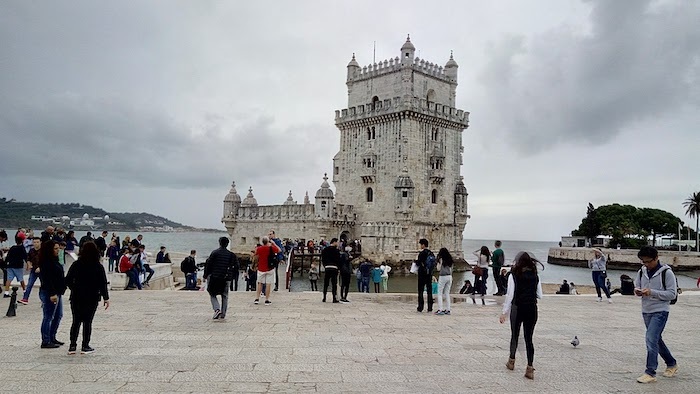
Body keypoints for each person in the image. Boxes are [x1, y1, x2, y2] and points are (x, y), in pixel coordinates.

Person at [634, 246, 678, 383]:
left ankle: (650, 372)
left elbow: (672, 294)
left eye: (648, 261)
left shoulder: (667, 273)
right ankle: (671, 363)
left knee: (650, 338)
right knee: (656, 339)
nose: (646, 264)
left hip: (660, 310)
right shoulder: (642, 271)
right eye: (643, 262)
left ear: (656, 258)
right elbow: (637, 284)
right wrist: (637, 290)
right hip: (646, 310)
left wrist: (652, 292)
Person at [500, 251, 543, 380]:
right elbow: (540, 295)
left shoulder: (514, 275)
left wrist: (504, 312)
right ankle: (530, 368)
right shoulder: (535, 275)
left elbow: (510, 295)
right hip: (531, 308)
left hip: (518, 308)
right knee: (529, 338)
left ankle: (511, 361)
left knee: (515, 335)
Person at [65, 241, 110, 354]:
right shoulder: (98, 266)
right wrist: (106, 297)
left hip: (77, 296)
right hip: (92, 297)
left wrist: (74, 288)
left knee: (76, 321)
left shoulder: (77, 264)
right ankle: (85, 345)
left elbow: (68, 280)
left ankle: (72, 345)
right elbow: (103, 283)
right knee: (87, 322)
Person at [38, 240, 67, 349]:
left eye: (58, 248)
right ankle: (45, 340)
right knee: (48, 316)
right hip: (50, 292)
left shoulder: (55, 261)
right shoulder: (46, 263)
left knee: (58, 315)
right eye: (55, 248)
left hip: (58, 292)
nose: (58, 250)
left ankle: (52, 336)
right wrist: (52, 293)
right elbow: (47, 279)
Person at [204, 237, 238, 320]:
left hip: (215, 277)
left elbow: (208, 264)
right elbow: (236, 267)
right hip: (226, 278)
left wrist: (205, 275)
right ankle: (223, 314)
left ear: (219, 243)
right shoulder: (231, 255)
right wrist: (232, 277)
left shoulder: (215, 253)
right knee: (225, 295)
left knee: (212, 293)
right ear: (227, 244)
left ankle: (216, 309)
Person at [253, 236, 281, 305]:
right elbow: (279, 250)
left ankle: (257, 298)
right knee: (268, 284)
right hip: (269, 268)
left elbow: (255, 253)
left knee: (260, 283)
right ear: (268, 241)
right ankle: (267, 299)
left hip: (261, 268)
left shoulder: (259, 248)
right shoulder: (271, 248)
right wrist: (274, 244)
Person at [19, 237, 42, 304]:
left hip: (42, 270)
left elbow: (46, 261)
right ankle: (25, 298)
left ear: (40, 242)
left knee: (43, 285)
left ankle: (43, 299)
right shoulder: (31, 250)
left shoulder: (43, 251)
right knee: (29, 284)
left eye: (37, 242)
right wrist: (29, 265)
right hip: (33, 270)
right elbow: (28, 259)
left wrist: (40, 267)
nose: (36, 244)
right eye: (34, 242)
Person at [416, 238, 434, 313]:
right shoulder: (431, 253)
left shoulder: (422, 253)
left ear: (423, 245)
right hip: (429, 274)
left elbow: (418, 263)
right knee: (429, 291)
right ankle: (430, 307)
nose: (420, 246)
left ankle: (420, 307)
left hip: (422, 274)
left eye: (421, 244)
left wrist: (416, 261)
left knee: (420, 291)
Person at [435, 248, 454, 315]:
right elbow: (451, 269)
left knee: (439, 293)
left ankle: (440, 309)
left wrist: (438, 263)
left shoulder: (441, 259)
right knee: (447, 293)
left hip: (443, 276)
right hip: (449, 276)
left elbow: (438, 268)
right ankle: (448, 309)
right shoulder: (450, 259)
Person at [321, 238, 341, 302]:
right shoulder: (336, 251)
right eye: (337, 242)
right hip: (334, 268)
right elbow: (338, 260)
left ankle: (324, 297)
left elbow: (323, 259)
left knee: (326, 283)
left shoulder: (325, 250)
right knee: (334, 283)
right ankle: (334, 298)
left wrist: (325, 266)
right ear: (334, 242)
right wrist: (338, 268)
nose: (338, 244)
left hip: (327, 267)